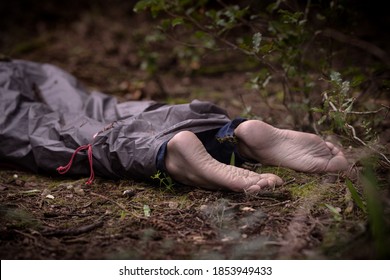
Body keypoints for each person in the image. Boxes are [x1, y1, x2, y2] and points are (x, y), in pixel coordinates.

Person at [0, 59, 348, 193]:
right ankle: (224, 135)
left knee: (40, 128)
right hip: (22, 66)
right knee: (103, 107)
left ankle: (167, 153)